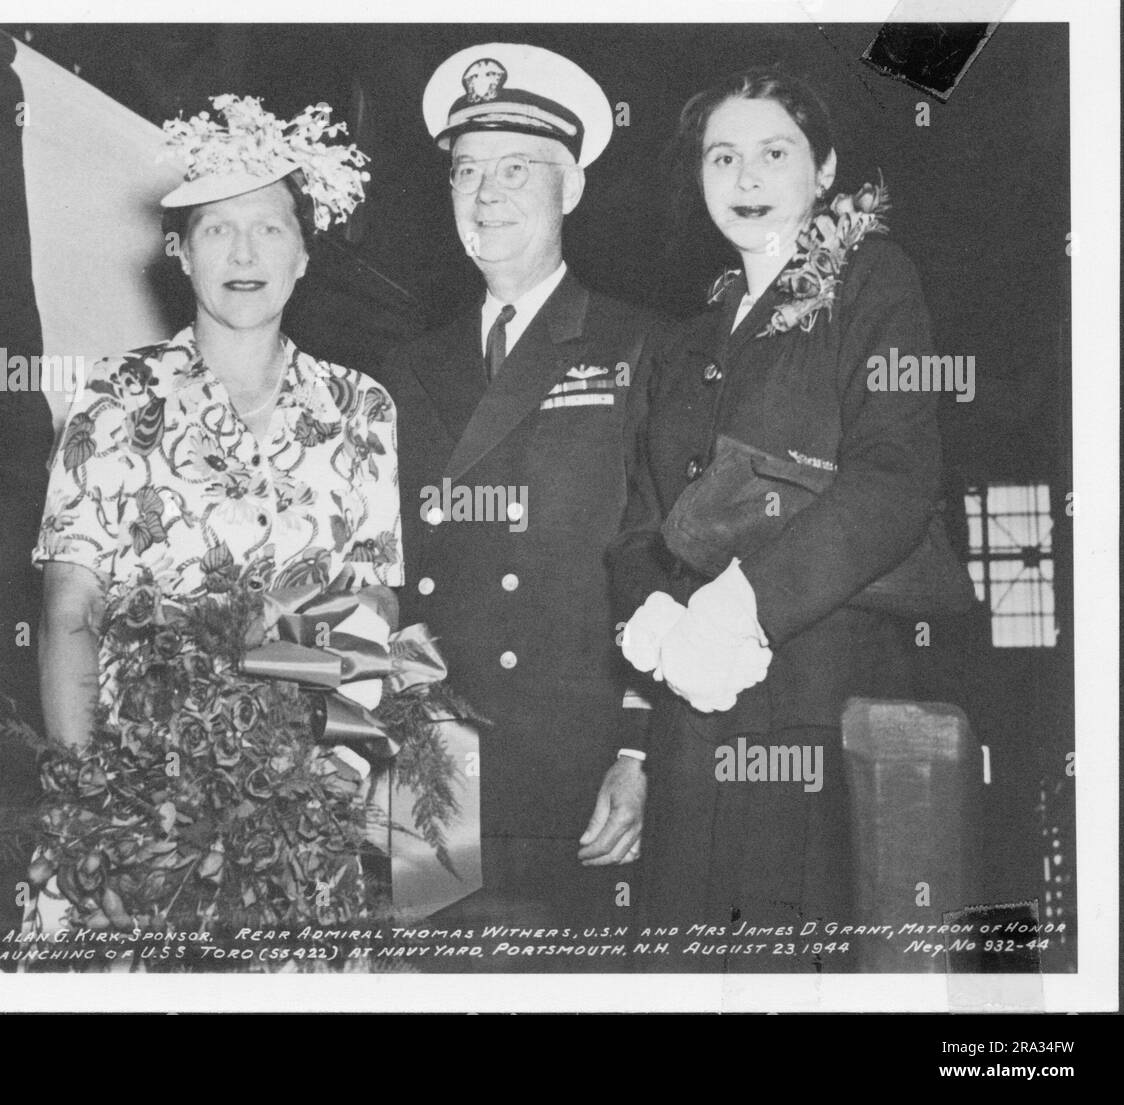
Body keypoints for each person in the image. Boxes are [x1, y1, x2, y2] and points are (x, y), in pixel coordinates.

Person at [28, 94, 400, 932]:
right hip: (135, 808)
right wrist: (96, 813)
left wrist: (330, 787)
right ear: (182, 255)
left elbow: (370, 614)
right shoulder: (114, 399)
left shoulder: (362, 408)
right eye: (216, 230)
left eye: (269, 228)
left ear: (305, 253)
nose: (243, 252)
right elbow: (69, 613)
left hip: (300, 810)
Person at [608, 67, 949, 972]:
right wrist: (653, 615)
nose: (746, 177)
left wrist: (745, 604)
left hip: (820, 697)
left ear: (824, 170)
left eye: (774, 152)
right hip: (695, 713)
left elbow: (896, 478)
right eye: (723, 156)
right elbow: (639, 522)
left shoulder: (874, 279)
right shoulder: (683, 341)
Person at [377, 43, 691, 936]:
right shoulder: (402, 367)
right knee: (423, 985)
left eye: (518, 169)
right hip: (428, 753)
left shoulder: (642, 348)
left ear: (573, 188)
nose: (487, 196)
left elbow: (670, 566)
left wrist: (639, 753)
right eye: (466, 171)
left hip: (579, 758)